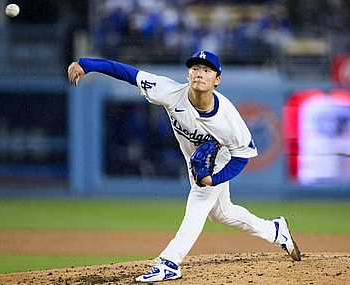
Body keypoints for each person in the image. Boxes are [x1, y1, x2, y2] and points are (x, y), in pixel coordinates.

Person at [67, 50, 301, 282]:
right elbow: (129, 74)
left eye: (206, 70)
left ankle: (170, 262)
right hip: (195, 161)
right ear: (188, 75)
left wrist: (214, 179)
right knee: (221, 213)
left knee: (198, 204)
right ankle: (275, 231)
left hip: (218, 161)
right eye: (195, 69)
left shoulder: (228, 120)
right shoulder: (170, 92)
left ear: (217, 80)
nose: (199, 73)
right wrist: (87, 64)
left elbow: (241, 157)